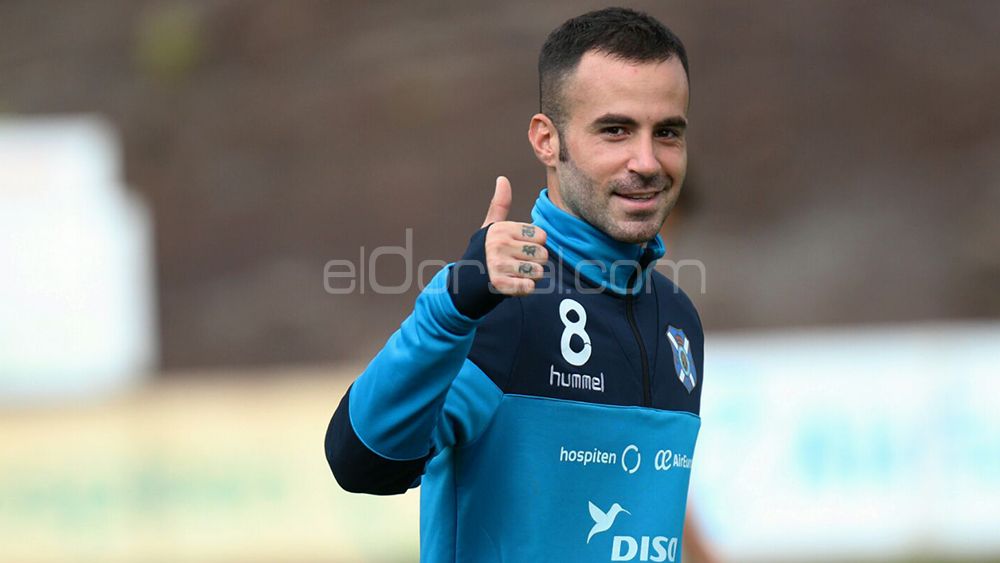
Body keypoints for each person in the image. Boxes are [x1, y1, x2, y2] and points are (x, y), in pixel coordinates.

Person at [326, 8, 706, 562]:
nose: (646, 161)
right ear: (547, 140)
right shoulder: (499, 306)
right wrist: (453, 304)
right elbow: (359, 463)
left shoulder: (679, 321)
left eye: (666, 132)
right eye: (615, 130)